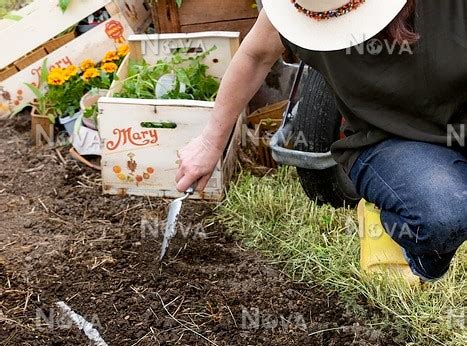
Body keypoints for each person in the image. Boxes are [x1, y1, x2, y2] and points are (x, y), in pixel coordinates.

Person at [175, 0, 467, 282]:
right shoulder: (297, 8)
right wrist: (210, 142)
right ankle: (413, 235)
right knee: (442, 217)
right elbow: (255, 57)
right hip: (389, 138)